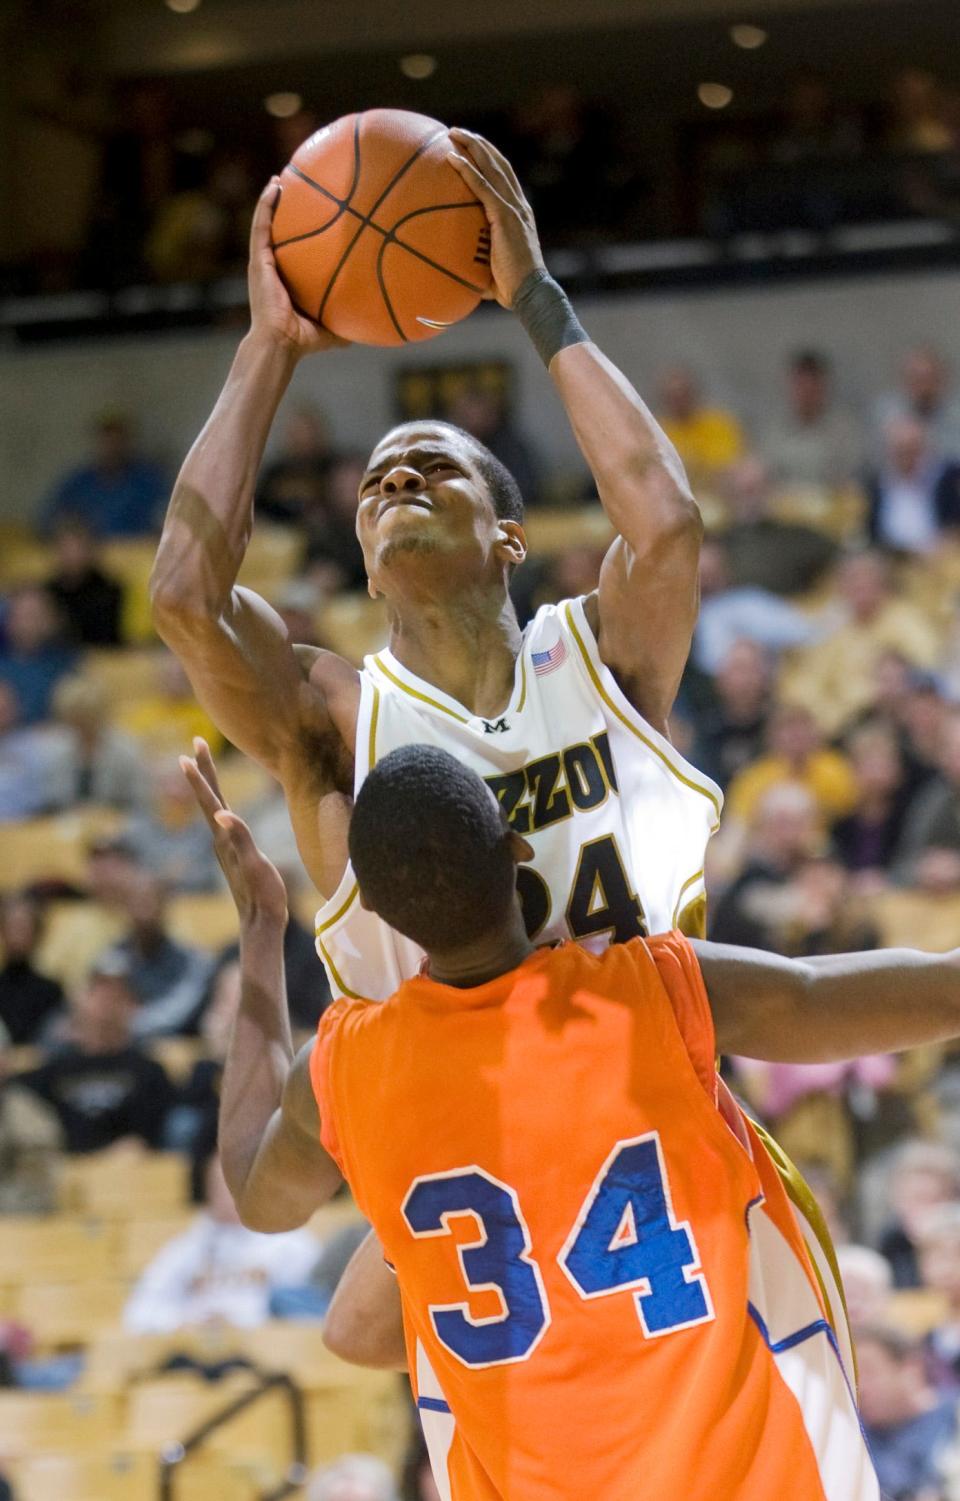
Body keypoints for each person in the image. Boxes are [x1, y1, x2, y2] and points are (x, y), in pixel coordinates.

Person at [153, 131, 844, 1391]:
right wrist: (269, 349)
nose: (396, 475)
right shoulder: (332, 715)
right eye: (372, 480)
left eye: (435, 465)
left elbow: (670, 522)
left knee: (370, 1324)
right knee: (366, 1328)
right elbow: (189, 599)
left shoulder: (603, 655)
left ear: (510, 534)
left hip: (653, 1115)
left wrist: (534, 294)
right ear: (359, 551)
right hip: (470, 1145)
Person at [183, 740, 960, 1499]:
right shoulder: (642, 990)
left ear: (380, 910)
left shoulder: (344, 1068)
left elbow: (257, 1192)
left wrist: (259, 928)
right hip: (750, 1473)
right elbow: (836, 994)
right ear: (517, 850)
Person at [124, 1142, 319, 1334]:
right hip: (195, 1351)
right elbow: (138, 1314)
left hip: (264, 1352)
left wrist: (243, 1325)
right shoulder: (185, 1248)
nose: (225, 1195)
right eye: (218, 1185)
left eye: (231, 1186)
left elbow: (309, 1313)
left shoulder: (291, 1243)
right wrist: (184, 1324)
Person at [8, 953, 174, 1153]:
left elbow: (151, 1136)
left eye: (117, 992)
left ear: (133, 1005)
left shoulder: (150, 1073)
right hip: (61, 1171)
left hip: (126, 1174)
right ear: (80, 1000)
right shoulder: (53, 1071)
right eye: (98, 990)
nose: (106, 1000)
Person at [857, 1325, 959, 1501]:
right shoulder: (853, 1434)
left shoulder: (952, 1420)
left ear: (910, 1368)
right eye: (854, 1377)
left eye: (869, 1372)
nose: (860, 1388)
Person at [38, 410, 168, 540]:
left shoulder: (148, 481)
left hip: (137, 555)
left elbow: (166, 520)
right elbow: (47, 520)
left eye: (117, 441)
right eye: (107, 441)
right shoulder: (78, 483)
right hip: (89, 556)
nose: (112, 447)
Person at [760, 350, 865, 493]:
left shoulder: (844, 430)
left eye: (813, 384)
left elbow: (851, 478)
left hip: (831, 510)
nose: (806, 391)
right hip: (781, 509)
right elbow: (764, 473)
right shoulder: (773, 430)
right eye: (800, 384)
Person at [45, 517, 125, 648]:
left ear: (90, 549)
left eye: (77, 547)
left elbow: (109, 639)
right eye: (65, 547)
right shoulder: (47, 593)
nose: (71, 554)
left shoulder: (110, 591)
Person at [0, 895, 65, 1046]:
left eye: (23, 927)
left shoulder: (51, 990)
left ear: (37, 933)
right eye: (13, 926)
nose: (18, 934)